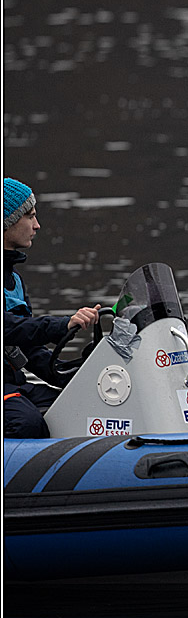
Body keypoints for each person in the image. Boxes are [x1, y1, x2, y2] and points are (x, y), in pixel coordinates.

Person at [4, 177, 100, 438]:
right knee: (26, 423)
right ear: (7, 222)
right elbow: (9, 328)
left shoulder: (15, 282)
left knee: (79, 407)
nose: (37, 225)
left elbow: (27, 350)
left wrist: (79, 373)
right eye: (30, 217)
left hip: (12, 385)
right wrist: (64, 325)